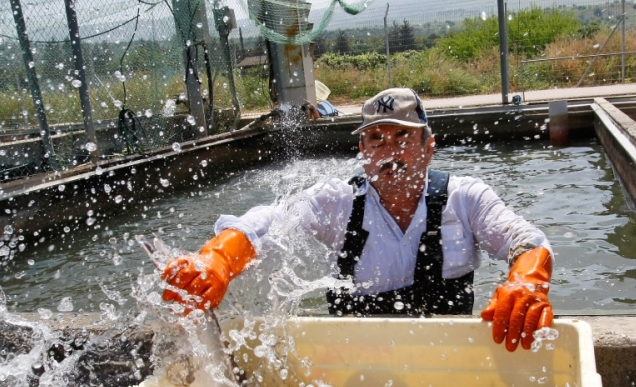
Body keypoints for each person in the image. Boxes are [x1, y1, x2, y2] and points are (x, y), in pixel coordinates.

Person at [161, 88, 554, 352]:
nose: (389, 153)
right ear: (362, 151)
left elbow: (527, 241)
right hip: (358, 365)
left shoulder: (465, 199)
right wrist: (218, 258)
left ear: (428, 147)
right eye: (376, 141)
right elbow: (270, 221)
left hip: (447, 359)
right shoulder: (338, 203)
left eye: (402, 138)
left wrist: (527, 281)